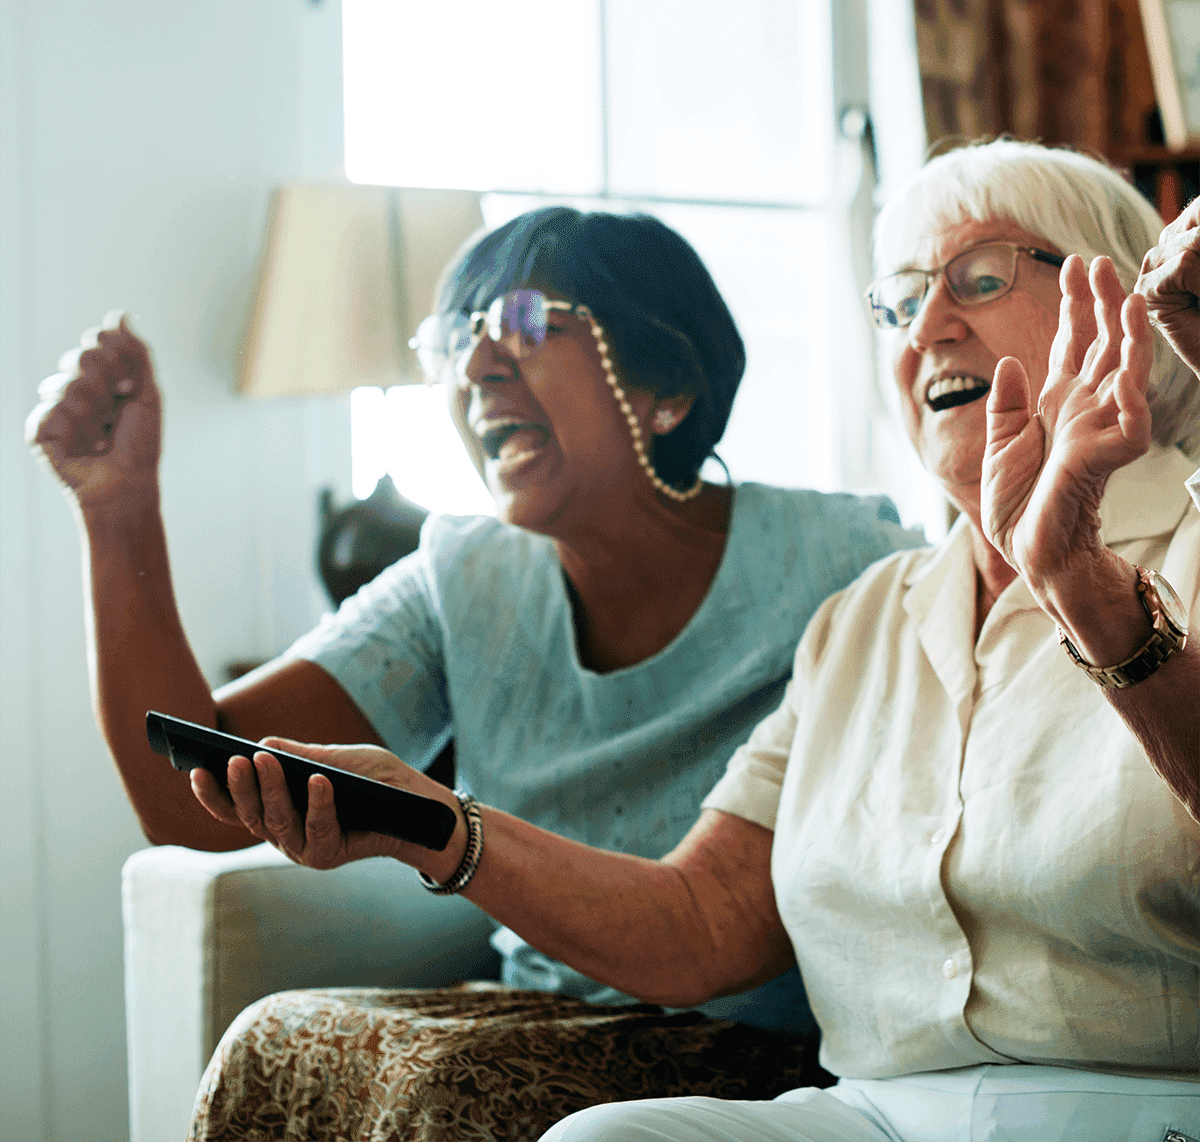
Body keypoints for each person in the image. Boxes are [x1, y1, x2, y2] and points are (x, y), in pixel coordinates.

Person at [183, 141, 1199, 1142]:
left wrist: (1078, 580)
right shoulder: (865, 616)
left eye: (978, 279)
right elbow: (705, 918)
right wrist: (436, 824)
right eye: (898, 302)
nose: (927, 325)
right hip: (876, 1112)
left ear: (1123, 314)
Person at [26, 207, 925, 1133]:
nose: (479, 366)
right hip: (546, 1016)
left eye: (530, 323)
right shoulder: (464, 578)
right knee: (273, 1035)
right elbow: (184, 802)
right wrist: (120, 512)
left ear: (669, 387)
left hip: (762, 1043)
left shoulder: (847, 563)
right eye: (459, 338)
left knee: (443, 1083)